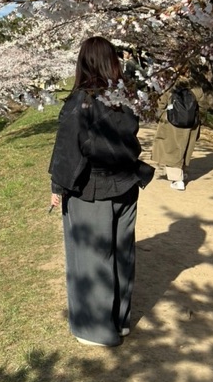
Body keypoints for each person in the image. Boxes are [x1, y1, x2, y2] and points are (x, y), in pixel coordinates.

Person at [48, 36, 153, 347]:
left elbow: (69, 149)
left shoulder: (81, 101)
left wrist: (58, 186)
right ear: (113, 61)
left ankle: (97, 329)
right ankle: (119, 321)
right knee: (121, 254)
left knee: (92, 256)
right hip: (126, 185)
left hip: (91, 188)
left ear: (83, 62)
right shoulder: (126, 98)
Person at [152, 79, 203, 191]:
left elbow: (161, 103)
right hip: (190, 124)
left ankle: (177, 180)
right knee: (185, 148)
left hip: (172, 122)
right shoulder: (196, 87)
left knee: (171, 150)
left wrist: (158, 116)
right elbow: (203, 106)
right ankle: (181, 172)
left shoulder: (170, 84)